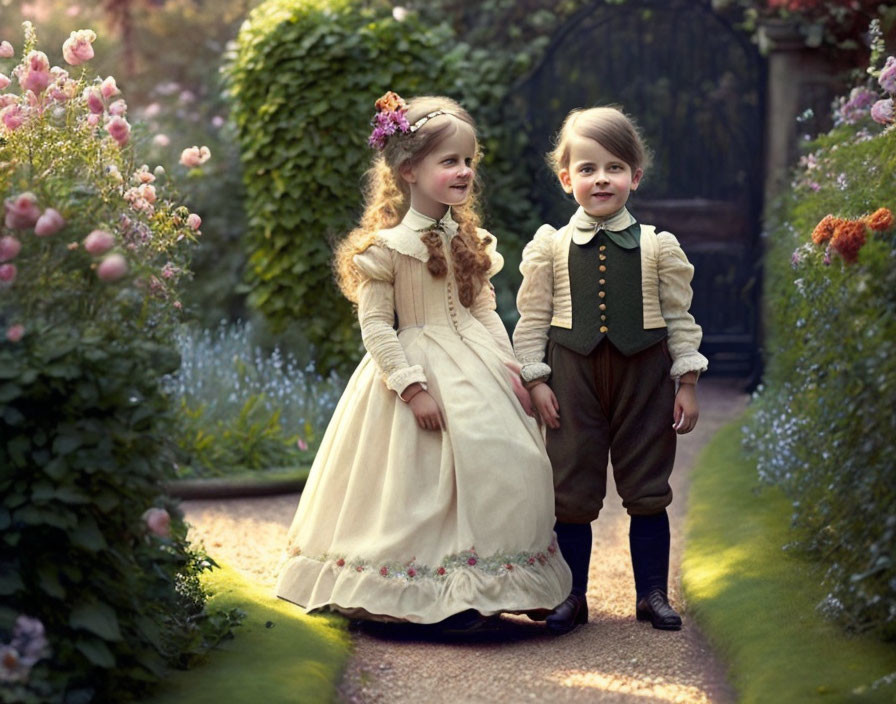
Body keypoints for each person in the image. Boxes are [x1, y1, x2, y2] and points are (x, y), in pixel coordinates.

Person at [276, 92, 571, 633]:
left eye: (468, 161)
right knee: (420, 485)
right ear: (408, 169)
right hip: (414, 369)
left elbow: (482, 308)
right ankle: (431, 597)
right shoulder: (386, 248)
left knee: (508, 458)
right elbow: (376, 327)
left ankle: (496, 583)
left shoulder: (468, 239)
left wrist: (513, 371)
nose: (462, 172)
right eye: (449, 161)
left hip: (474, 364)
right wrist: (412, 388)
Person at [513, 106, 708, 634]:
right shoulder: (549, 247)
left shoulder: (657, 246)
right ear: (566, 178)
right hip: (571, 379)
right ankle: (571, 595)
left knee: (647, 486)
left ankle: (651, 594)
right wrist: (535, 378)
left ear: (635, 177)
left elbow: (679, 318)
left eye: (615, 168)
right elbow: (532, 320)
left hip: (644, 377)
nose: (602, 179)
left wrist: (685, 384)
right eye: (588, 168)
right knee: (571, 488)